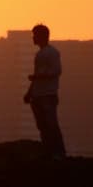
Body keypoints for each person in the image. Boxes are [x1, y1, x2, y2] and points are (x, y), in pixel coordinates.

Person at [23, 23, 66, 160]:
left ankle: (58, 153)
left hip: (48, 95)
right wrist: (29, 93)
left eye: (35, 35)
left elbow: (56, 71)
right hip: (38, 95)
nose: (33, 38)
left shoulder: (52, 53)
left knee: (51, 124)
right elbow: (36, 77)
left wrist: (38, 77)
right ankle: (48, 151)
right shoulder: (40, 54)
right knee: (42, 126)